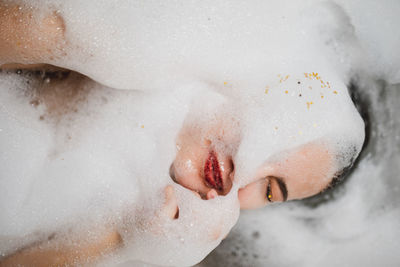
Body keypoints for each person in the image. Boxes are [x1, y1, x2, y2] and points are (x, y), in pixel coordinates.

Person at [0, 1, 365, 266]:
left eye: (270, 189)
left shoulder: (139, 244)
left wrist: (122, 242)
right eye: (276, 135)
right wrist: (71, 37)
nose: (244, 173)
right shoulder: (118, 34)